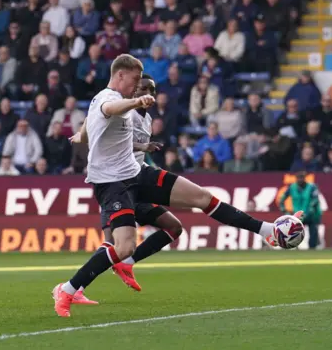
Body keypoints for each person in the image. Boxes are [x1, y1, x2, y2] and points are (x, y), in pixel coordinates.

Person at [52, 54, 300, 318]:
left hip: (138, 173)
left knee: (203, 197)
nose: (137, 86)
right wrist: (136, 101)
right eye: (135, 80)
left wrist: (84, 133)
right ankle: (67, 289)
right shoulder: (108, 98)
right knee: (123, 247)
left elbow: (94, 123)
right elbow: (109, 110)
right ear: (121, 75)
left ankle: (267, 230)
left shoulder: (123, 107)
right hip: (113, 184)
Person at [68, 74, 184, 304]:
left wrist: (149, 163)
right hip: (114, 182)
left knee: (172, 227)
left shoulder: (147, 118)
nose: (146, 92)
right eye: (142, 88)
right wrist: (82, 134)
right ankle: (75, 288)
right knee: (113, 242)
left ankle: (126, 264)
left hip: (137, 182)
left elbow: (137, 155)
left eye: (150, 88)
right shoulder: (124, 111)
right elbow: (103, 129)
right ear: (132, 90)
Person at [280, 171, 321, 250]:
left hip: (310, 214)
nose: (300, 180)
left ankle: (312, 249)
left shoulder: (312, 187)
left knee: (313, 232)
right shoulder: (292, 187)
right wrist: (284, 210)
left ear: (304, 178)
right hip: (297, 215)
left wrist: (311, 209)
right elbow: (282, 200)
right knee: (294, 232)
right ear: (296, 178)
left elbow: (315, 200)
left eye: (302, 178)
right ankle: (293, 247)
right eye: (298, 178)